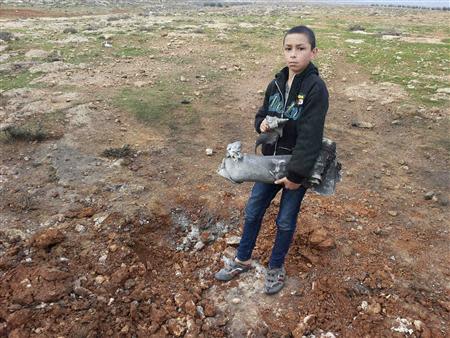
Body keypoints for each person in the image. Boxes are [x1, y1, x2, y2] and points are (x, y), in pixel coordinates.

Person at [215, 25, 329, 294]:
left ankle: (275, 267)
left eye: (300, 49)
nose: (293, 55)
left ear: (313, 52)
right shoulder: (275, 84)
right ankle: (242, 259)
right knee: (254, 210)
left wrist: (296, 176)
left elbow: (311, 137)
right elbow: (261, 114)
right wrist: (262, 125)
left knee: (285, 221)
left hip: (294, 167)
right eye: (288, 49)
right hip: (268, 165)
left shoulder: (316, 88)